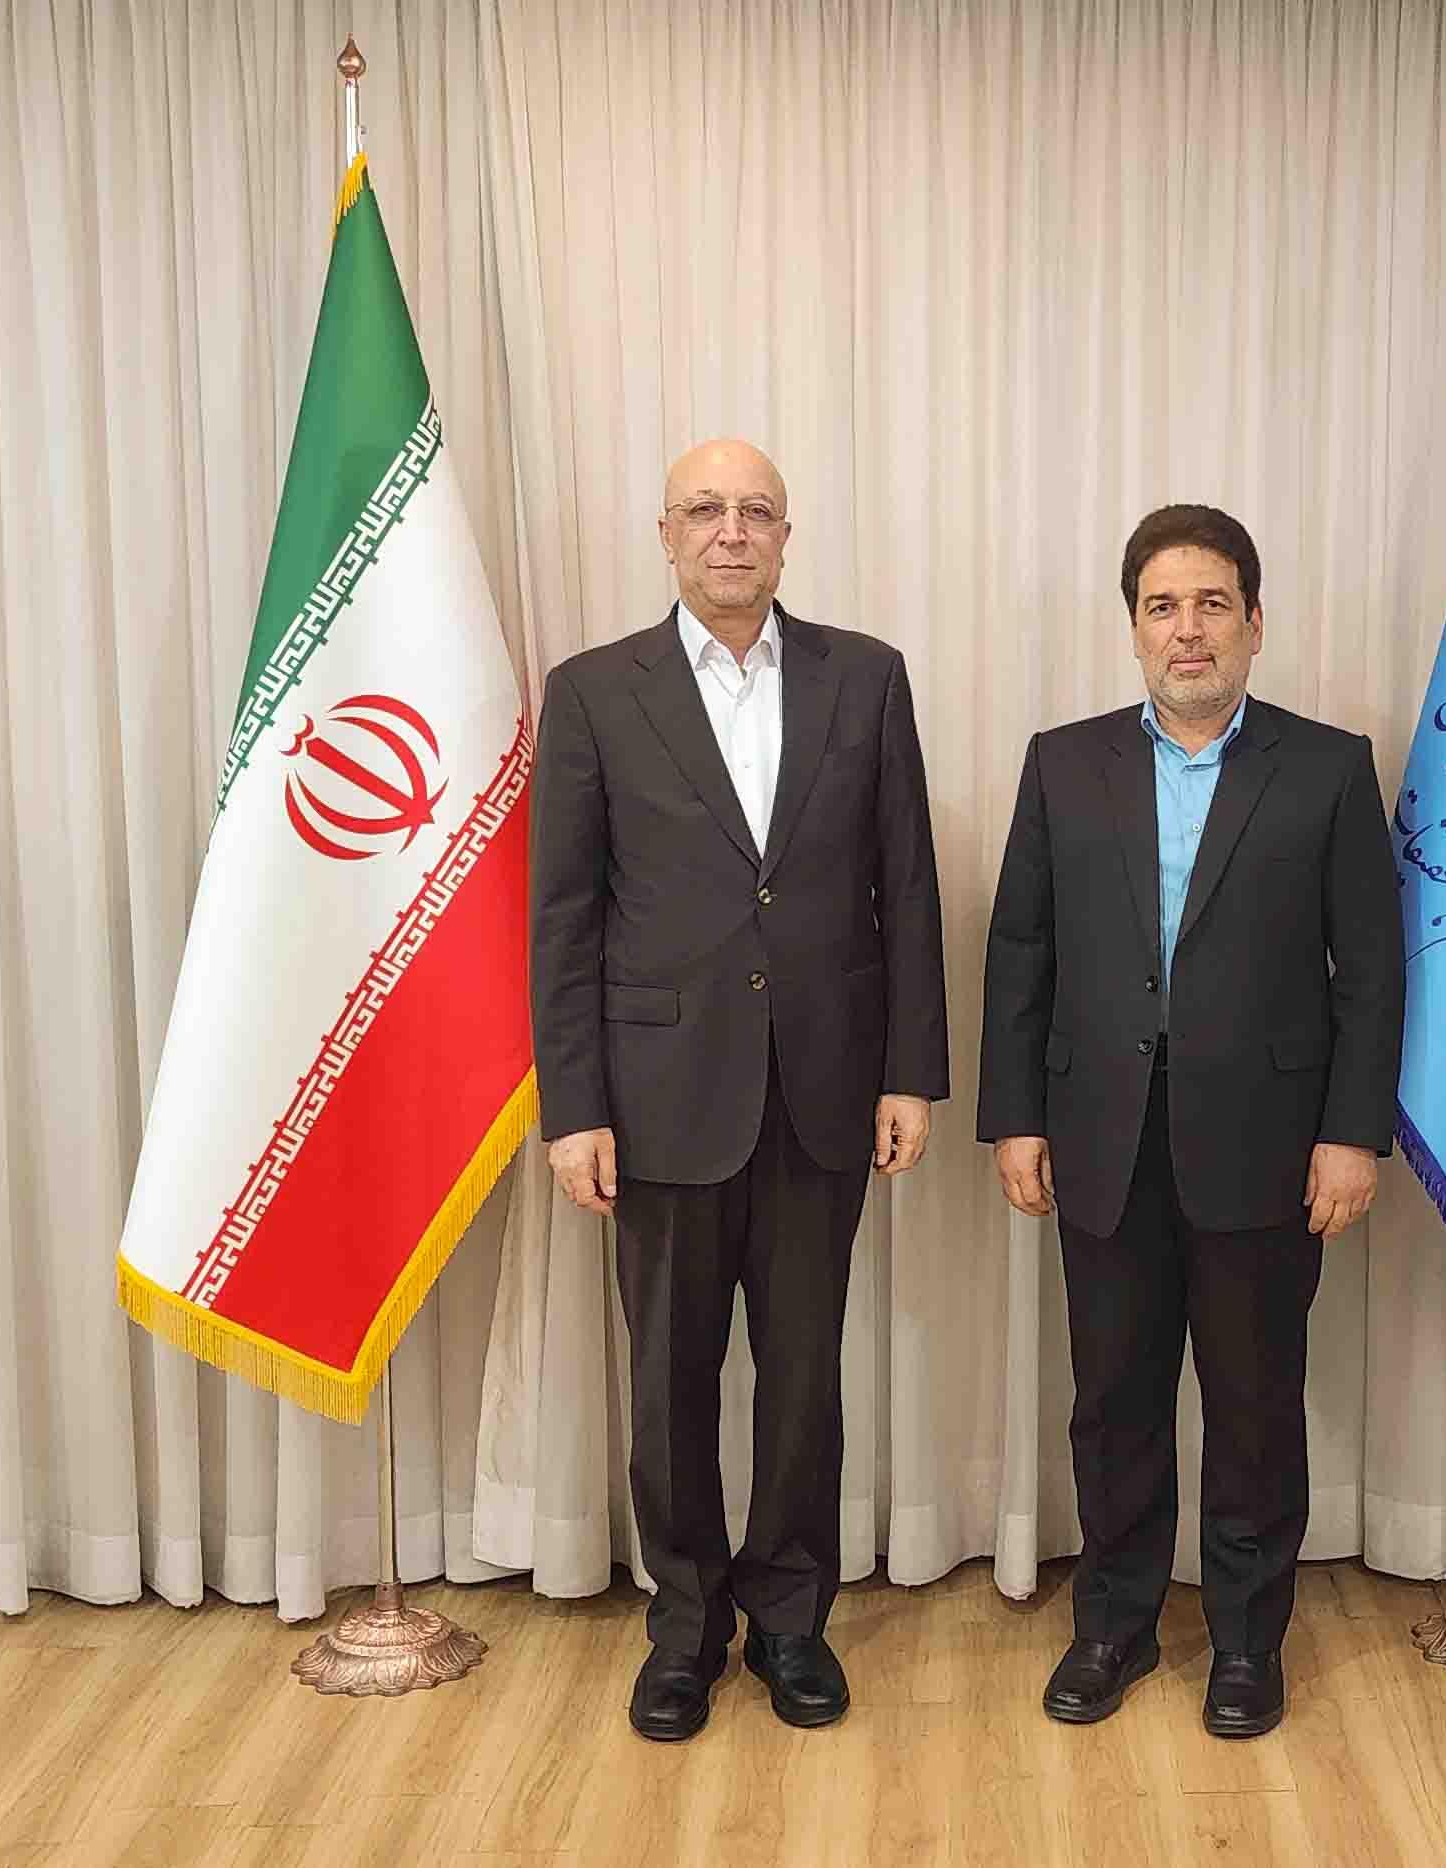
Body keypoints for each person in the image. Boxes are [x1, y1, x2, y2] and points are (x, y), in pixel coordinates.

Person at [529, 438, 946, 1742]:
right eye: (704, 509)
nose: (730, 530)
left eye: (755, 510)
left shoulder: (865, 678)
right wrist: (573, 1105)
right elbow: (563, 916)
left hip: (824, 1090)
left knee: (804, 1376)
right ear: (665, 533)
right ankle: (685, 1626)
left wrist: (911, 1071)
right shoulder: (594, 692)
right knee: (670, 1381)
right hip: (657, 1097)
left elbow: (907, 885)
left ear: (785, 536)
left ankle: (791, 1621)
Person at [976, 503, 1405, 1739]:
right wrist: (1015, 1116)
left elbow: (1370, 970)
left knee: (1254, 1403)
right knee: (1112, 1400)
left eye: (1212, 602)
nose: (1188, 629)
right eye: (1162, 606)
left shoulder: (1325, 767)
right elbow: (1021, 949)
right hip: (1100, 1137)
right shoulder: (1065, 763)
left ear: (1255, 622)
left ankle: (1246, 1640)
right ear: (1133, 629)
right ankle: (1111, 1625)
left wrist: (1351, 1132)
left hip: (1267, 1146)